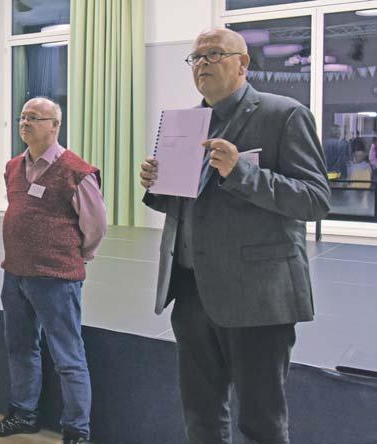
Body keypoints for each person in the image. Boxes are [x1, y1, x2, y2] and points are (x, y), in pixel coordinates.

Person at [139, 28, 329, 444]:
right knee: (201, 415)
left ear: (243, 63)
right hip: (191, 292)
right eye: (195, 58)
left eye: (213, 54)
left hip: (256, 296)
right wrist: (158, 183)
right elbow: (191, 206)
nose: (201, 64)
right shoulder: (186, 123)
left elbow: (315, 200)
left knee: (261, 422)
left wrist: (241, 172)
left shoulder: (285, 115)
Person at [0, 97, 106, 444]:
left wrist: (76, 256)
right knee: (20, 348)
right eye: (23, 117)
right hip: (15, 274)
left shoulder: (76, 171)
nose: (25, 122)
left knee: (68, 357)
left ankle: (77, 431)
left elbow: (96, 225)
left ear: (55, 126)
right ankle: (23, 414)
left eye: (34, 118)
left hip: (56, 278)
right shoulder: (13, 167)